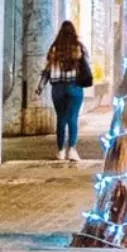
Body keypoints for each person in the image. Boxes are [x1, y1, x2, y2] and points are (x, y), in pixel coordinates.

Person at [40, 21, 93, 162]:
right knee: (73, 118)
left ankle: (61, 151)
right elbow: (86, 66)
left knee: (61, 119)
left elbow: (47, 70)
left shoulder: (54, 48)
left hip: (57, 88)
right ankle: (72, 150)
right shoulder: (78, 47)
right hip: (74, 86)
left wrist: (40, 86)